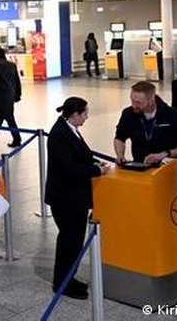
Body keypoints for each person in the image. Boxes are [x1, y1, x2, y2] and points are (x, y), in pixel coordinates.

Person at [113, 81, 177, 291]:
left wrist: (165, 154)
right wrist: (120, 154)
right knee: (143, 222)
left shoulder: (172, 116)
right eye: (132, 100)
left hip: (170, 181)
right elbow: (119, 136)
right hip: (142, 179)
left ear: (151, 100)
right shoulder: (128, 114)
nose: (134, 104)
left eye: (138, 102)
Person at [45, 97, 111, 299]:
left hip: (75, 197)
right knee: (69, 240)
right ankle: (62, 282)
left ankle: (69, 277)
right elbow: (68, 168)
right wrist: (95, 170)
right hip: (65, 199)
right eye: (84, 113)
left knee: (74, 241)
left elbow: (79, 155)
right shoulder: (59, 135)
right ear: (74, 115)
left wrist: (93, 161)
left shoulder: (70, 130)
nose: (87, 117)